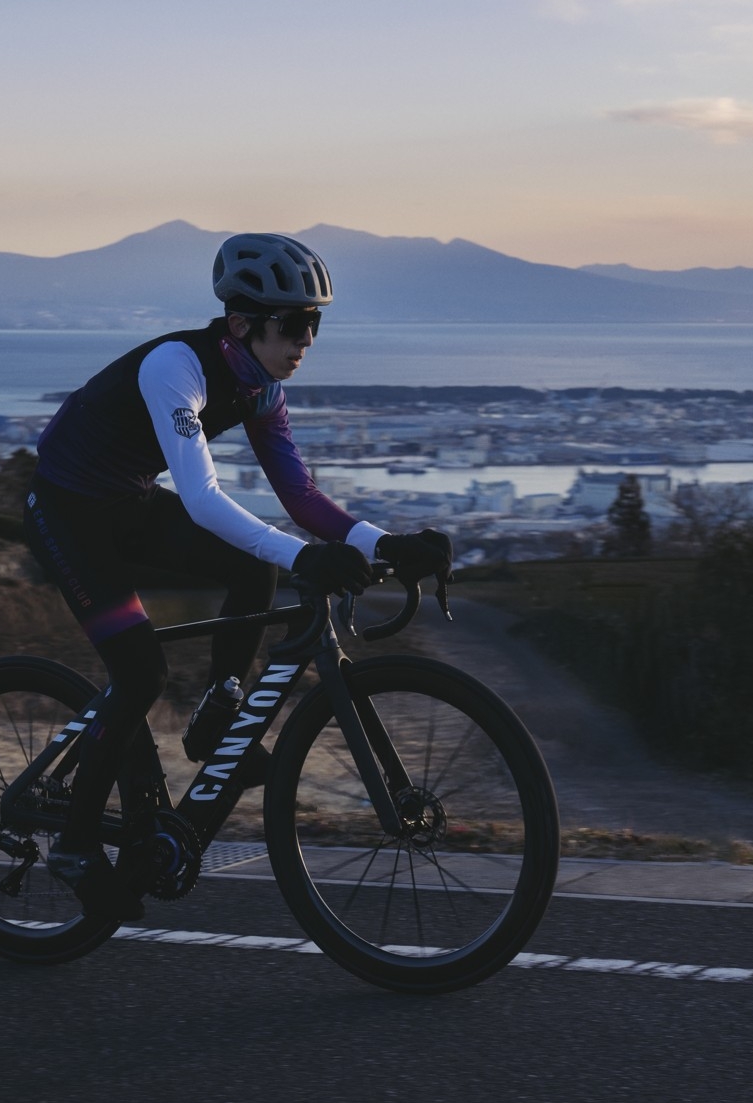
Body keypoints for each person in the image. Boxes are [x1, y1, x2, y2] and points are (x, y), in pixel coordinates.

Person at [22, 232, 452, 920]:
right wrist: (304, 556)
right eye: (294, 325)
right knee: (139, 674)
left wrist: (388, 543)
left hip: (127, 500)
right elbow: (201, 499)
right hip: (68, 512)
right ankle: (75, 846)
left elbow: (302, 499)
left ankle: (218, 718)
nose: (307, 339)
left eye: (315, 324)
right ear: (243, 323)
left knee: (254, 562)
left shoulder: (261, 390)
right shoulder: (176, 367)